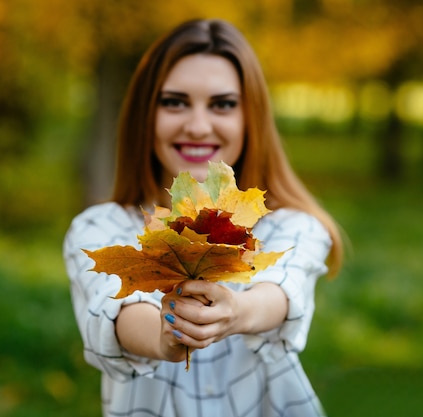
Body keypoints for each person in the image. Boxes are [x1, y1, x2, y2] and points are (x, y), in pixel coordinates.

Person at [63, 18, 343, 417]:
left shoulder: (291, 226)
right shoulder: (98, 228)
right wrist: (165, 336)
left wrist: (236, 312)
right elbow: (113, 311)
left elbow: (284, 289)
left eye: (222, 104)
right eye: (174, 102)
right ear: (146, 114)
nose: (196, 126)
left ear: (252, 117)